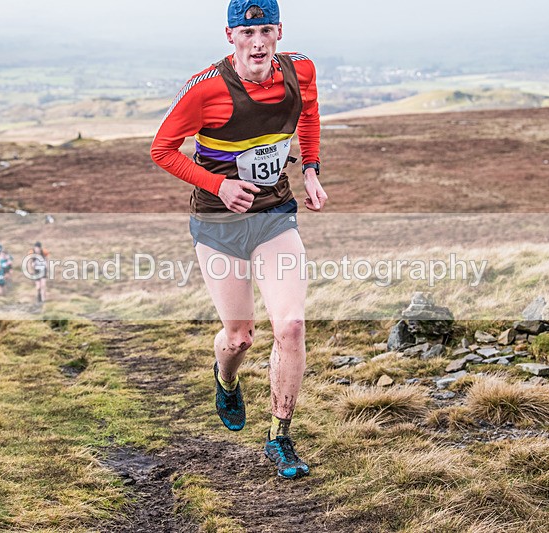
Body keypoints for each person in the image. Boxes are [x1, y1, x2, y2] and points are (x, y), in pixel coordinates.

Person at [150, 0, 327, 479]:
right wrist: (219, 185)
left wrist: (309, 169)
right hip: (218, 224)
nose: (258, 42)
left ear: (278, 32)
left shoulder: (300, 70)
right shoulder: (206, 89)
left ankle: (280, 437)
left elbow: (308, 116)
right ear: (230, 36)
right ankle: (226, 380)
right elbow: (162, 149)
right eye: (247, 33)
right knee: (240, 336)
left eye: (266, 30)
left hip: (275, 217)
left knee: (290, 325)